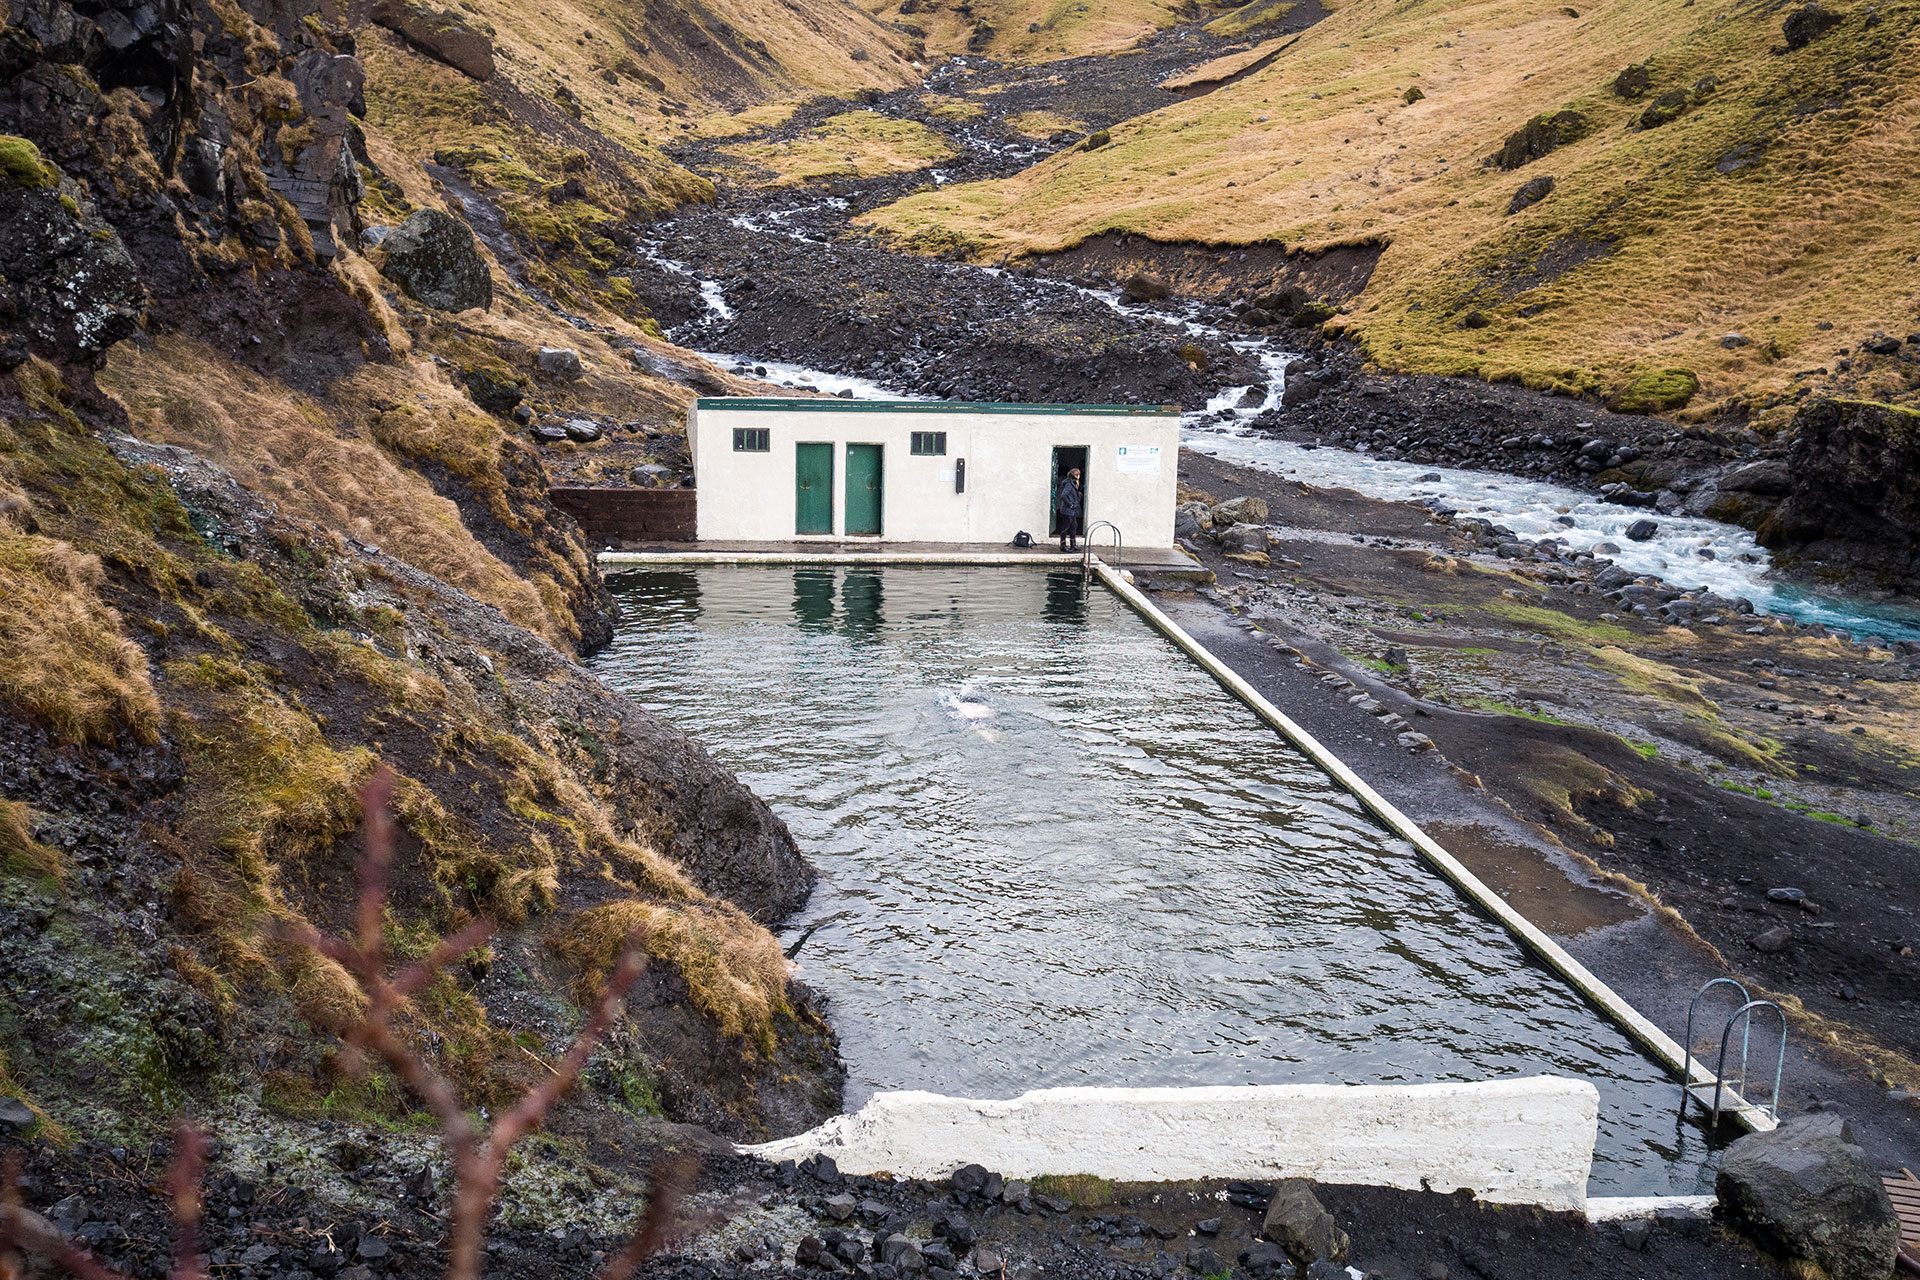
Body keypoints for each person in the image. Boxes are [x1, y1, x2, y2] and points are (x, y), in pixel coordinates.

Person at [1055, 465, 1083, 551]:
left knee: (1074, 525)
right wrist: (1070, 504)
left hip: (1072, 510)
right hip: (1068, 510)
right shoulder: (1068, 483)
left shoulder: (1073, 483)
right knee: (1066, 526)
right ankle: (1063, 545)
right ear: (1075, 475)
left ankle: (1073, 544)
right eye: (1077, 474)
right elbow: (1063, 495)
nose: (1079, 476)